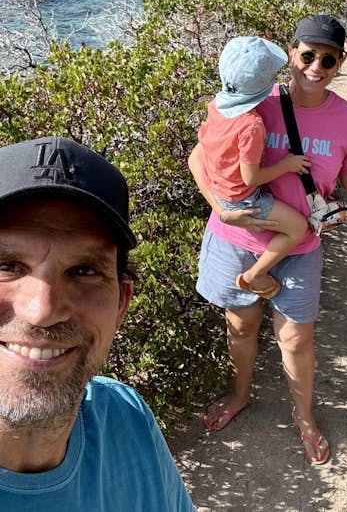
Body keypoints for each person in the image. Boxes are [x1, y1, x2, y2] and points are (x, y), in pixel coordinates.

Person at [188, 15, 347, 463]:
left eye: (328, 59)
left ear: (339, 62)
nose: (317, 66)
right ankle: (239, 396)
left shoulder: (346, 116)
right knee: (240, 325)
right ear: (291, 53)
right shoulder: (254, 101)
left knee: (295, 340)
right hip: (238, 239)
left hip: (300, 247)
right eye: (307, 55)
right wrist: (218, 206)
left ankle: (303, 415)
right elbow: (200, 159)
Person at [0, 136, 195, 510]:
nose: (42, 309)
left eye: (84, 270)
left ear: (122, 303)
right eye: (7, 265)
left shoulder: (124, 416)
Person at [196, 35, 310, 299]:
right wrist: (287, 164)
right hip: (243, 201)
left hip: (220, 192)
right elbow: (251, 178)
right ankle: (254, 275)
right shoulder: (251, 125)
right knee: (297, 228)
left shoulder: (215, 106)